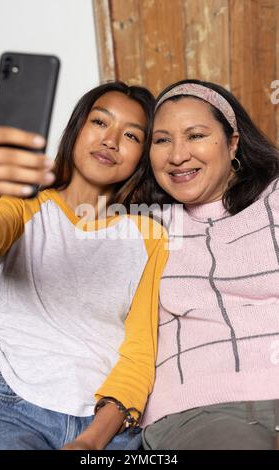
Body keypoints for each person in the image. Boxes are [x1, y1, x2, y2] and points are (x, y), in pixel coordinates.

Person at [0, 81, 168, 450]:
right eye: (100, 122)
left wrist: (90, 442)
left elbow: (140, 352)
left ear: (142, 155)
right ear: (76, 128)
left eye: (131, 135)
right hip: (9, 402)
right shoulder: (26, 205)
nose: (111, 140)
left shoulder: (150, 236)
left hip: (106, 424)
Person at [140, 79, 279, 450]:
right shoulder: (142, 225)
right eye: (162, 140)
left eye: (196, 135)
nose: (178, 155)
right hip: (198, 410)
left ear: (233, 142)